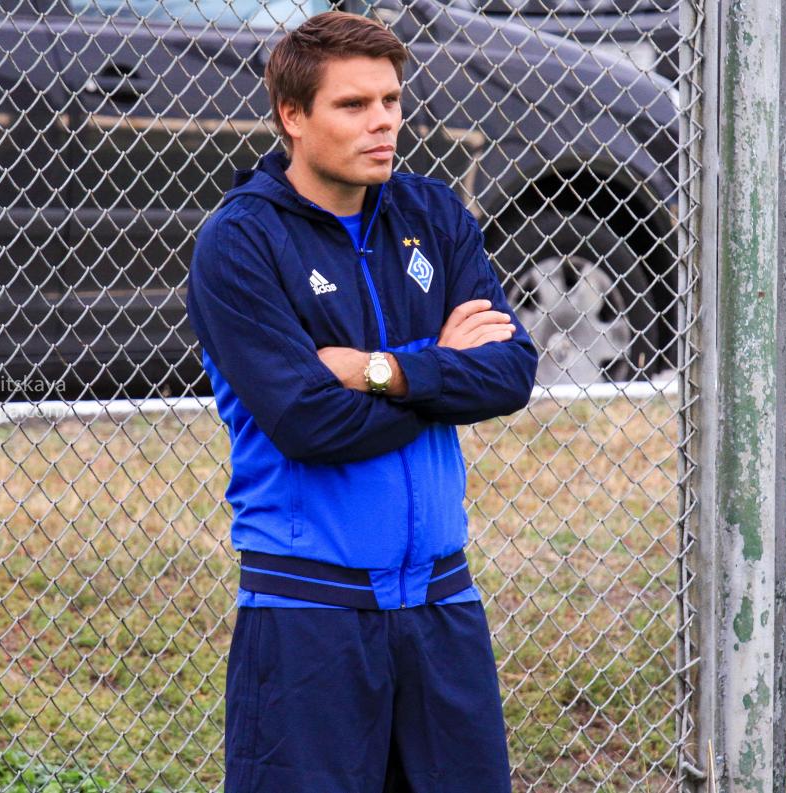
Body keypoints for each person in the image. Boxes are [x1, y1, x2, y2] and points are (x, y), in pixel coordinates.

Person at [185, 10, 537, 792]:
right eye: (353, 105)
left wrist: (383, 370)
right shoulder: (239, 243)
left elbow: (510, 371)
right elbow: (310, 421)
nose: (383, 122)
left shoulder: (434, 215)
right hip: (309, 612)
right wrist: (444, 369)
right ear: (293, 116)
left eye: (391, 100)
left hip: (443, 605)